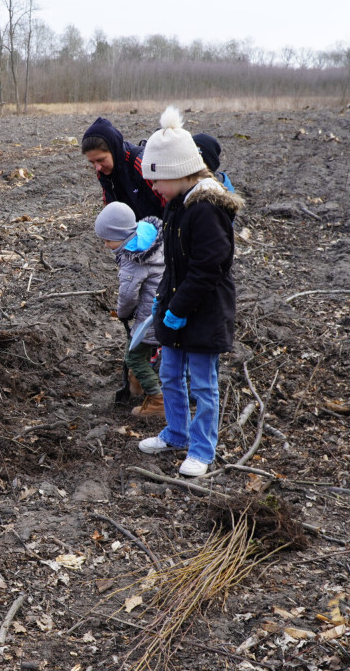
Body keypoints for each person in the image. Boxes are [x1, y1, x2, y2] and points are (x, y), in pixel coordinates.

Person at [137, 106, 244, 477]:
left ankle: (201, 449)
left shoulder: (206, 208)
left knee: (202, 383)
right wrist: (162, 298)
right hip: (177, 305)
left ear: (176, 172)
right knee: (170, 375)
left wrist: (179, 307)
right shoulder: (176, 205)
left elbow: (209, 267)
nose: (153, 188)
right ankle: (177, 433)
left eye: (156, 181)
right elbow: (175, 262)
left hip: (204, 311)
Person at [94, 202, 165, 418]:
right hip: (164, 307)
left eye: (108, 240)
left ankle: (157, 401)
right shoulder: (151, 239)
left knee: (134, 357)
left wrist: (123, 313)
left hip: (149, 316)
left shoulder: (133, 259)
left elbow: (127, 295)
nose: (106, 245)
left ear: (122, 235)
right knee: (146, 351)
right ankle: (138, 383)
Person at [81, 117, 163, 220]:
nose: (97, 167)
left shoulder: (139, 164)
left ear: (113, 149)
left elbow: (167, 203)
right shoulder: (103, 172)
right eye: (92, 162)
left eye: (101, 160)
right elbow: (110, 207)